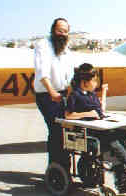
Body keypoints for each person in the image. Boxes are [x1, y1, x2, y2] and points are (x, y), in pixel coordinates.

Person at [65, 63, 126, 183]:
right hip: (88, 133)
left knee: (123, 135)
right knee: (112, 140)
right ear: (84, 82)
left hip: (100, 128)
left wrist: (104, 92)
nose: (96, 84)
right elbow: (68, 115)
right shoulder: (75, 95)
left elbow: (101, 110)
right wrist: (87, 114)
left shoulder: (91, 94)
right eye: (94, 81)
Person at [34, 18, 76, 170]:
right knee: (56, 130)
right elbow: (42, 71)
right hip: (47, 94)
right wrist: (52, 91)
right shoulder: (43, 45)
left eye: (65, 31)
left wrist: (72, 94)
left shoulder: (66, 50)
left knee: (68, 130)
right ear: (52, 30)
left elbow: (71, 76)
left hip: (62, 94)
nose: (62, 34)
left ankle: (64, 168)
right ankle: (56, 168)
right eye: (59, 30)